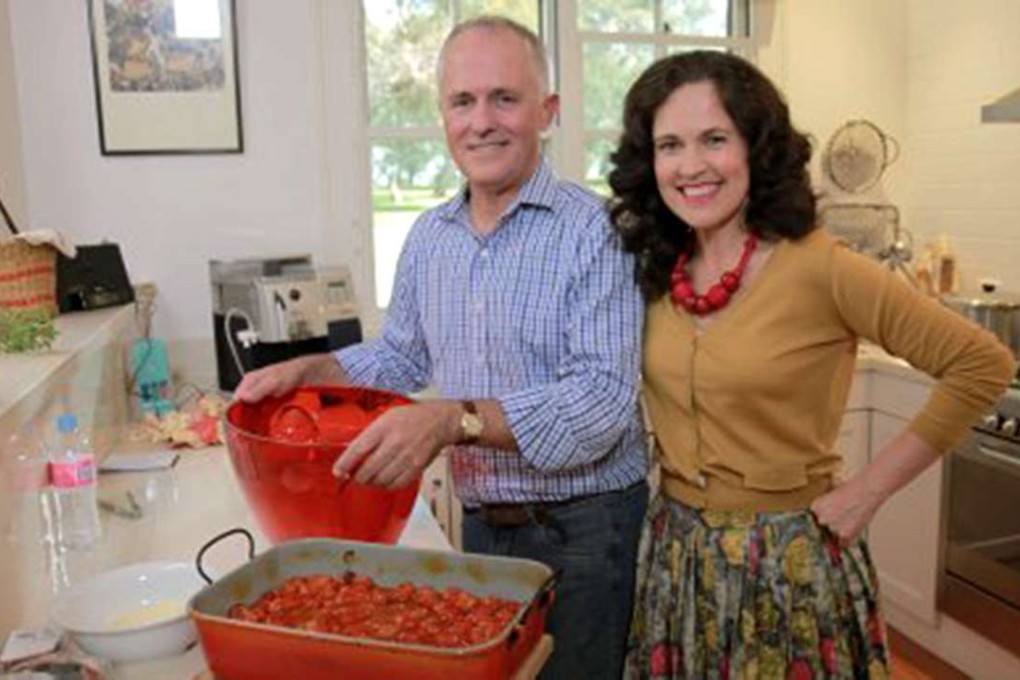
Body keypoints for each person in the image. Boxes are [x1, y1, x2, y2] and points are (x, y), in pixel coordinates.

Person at [235, 16, 649, 680]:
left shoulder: (595, 232)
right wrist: (318, 370)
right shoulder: (430, 237)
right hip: (483, 525)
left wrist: (453, 420)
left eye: (504, 99)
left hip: (587, 531)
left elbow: (600, 405)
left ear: (548, 111)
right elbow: (401, 355)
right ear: (443, 116)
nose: (481, 121)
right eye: (463, 101)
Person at [607, 50, 1015, 679]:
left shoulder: (821, 266)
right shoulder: (659, 266)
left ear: (756, 149)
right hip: (677, 554)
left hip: (786, 563)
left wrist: (867, 492)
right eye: (670, 145)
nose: (691, 166)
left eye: (714, 139)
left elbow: (981, 362)